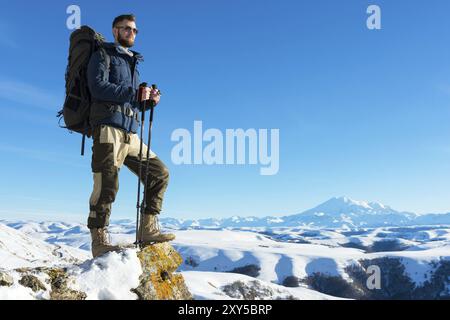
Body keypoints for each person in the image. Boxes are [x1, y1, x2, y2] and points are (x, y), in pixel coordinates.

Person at [86, 14, 175, 258]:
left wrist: (147, 101)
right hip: (108, 130)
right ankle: (100, 241)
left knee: (159, 173)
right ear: (115, 31)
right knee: (107, 184)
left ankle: (147, 229)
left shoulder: (133, 62)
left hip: (130, 133)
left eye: (135, 30)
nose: (132, 33)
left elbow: (131, 102)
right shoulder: (103, 55)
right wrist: (133, 92)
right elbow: (97, 87)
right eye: (127, 29)